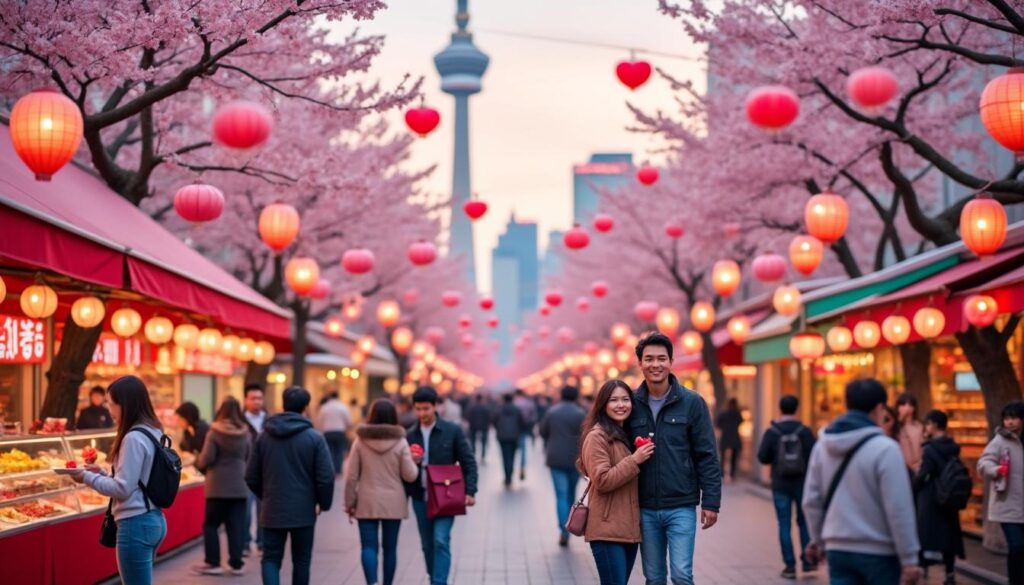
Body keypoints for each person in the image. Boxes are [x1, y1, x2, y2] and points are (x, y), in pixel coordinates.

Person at [802, 379, 922, 585]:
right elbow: (899, 507)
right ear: (879, 407)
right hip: (879, 552)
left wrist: (819, 541)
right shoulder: (885, 449)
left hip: (837, 549)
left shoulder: (822, 446)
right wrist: (909, 559)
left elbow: (811, 501)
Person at [626, 333, 721, 585]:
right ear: (640, 363)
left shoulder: (692, 403)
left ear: (671, 361)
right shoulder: (630, 405)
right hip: (644, 506)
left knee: (681, 574)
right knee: (654, 578)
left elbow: (707, 455)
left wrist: (711, 502)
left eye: (661, 358)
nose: (655, 364)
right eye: (649, 359)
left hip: (681, 505)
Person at [68, 376, 167, 585]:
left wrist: (85, 476)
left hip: (135, 523)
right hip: (154, 519)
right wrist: (102, 474)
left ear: (125, 404)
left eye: (111, 404)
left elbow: (122, 488)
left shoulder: (132, 438)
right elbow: (136, 479)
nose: (109, 409)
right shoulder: (153, 431)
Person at [245, 386, 334, 585]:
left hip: (272, 509)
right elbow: (325, 478)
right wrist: (323, 503)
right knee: (301, 561)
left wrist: (267, 495)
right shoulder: (314, 438)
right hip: (303, 511)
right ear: (306, 408)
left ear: (283, 405)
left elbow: (251, 475)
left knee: (270, 559)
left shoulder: (264, 436)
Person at [580, 380, 654, 584]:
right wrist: (635, 460)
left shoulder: (625, 434)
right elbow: (602, 480)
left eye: (625, 399)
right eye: (614, 400)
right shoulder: (597, 436)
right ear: (603, 404)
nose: (621, 405)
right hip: (607, 530)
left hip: (627, 530)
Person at [405, 386, 478, 585]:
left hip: (446, 495)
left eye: (426, 409)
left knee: (440, 540)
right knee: (427, 544)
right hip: (420, 496)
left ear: (435, 407)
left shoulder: (452, 430)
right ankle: (434, 577)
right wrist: (411, 461)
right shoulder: (410, 434)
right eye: (418, 409)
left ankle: (439, 582)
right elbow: (401, 469)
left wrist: (470, 490)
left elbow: (468, 461)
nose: (421, 413)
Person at [344, 399, 419, 585]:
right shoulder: (401, 442)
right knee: (390, 548)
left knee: (368, 546)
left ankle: (372, 583)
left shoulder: (360, 441)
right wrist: (414, 462)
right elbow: (410, 476)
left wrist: (349, 503)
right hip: (394, 501)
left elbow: (351, 476)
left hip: (366, 500)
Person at [756, 394, 817, 579]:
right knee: (804, 522)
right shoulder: (804, 431)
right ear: (796, 409)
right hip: (802, 483)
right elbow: (815, 455)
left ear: (780, 409)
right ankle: (808, 561)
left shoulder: (773, 432)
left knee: (784, 523)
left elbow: (762, 457)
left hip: (780, 484)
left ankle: (789, 566)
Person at [193, 397, 251, 576]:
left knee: (211, 525)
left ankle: (213, 562)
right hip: (240, 485)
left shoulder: (215, 431)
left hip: (217, 486)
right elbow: (249, 455)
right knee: (236, 526)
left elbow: (207, 458)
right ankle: (236, 564)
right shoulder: (245, 432)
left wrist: (198, 462)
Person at [913, 410, 964, 585]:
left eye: (927, 424)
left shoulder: (929, 448)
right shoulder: (953, 446)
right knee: (949, 534)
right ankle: (950, 573)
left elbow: (925, 473)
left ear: (934, 424)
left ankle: (922, 568)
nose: (926, 427)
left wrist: (914, 487)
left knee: (925, 533)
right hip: (949, 495)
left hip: (931, 497)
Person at [977, 400, 1024, 585]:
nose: (1009, 422)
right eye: (1006, 418)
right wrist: (995, 469)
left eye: (1013, 418)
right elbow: (983, 463)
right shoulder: (1000, 439)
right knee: (1017, 546)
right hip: (1008, 505)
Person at [539, 384, 587, 546]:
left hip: (556, 457)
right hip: (575, 458)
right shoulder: (581, 413)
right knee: (571, 493)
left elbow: (543, 432)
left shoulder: (552, 412)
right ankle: (570, 523)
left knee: (561, 494)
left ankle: (563, 530)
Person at [242, 384, 267, 555]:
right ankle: (244, 542)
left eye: (259, 398)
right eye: (253, 398)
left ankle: (262, 542)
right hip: (244, 472)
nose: (256, 402)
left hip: (266, 472)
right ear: (246, 400)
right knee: (245, 509)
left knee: (264, 509)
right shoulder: (240, 421)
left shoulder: (269, 420)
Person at [493, 393, 526, 487]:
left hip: (502, 436)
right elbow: (522, 422)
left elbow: (494, 421)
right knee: (512, 457)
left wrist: (499, 428)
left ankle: (507, 477)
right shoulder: (517, 409)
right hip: (514, 436)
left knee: (504, 457)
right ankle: (510, 475)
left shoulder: (499, 409)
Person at [317, 392, 353, 475]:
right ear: (338, 396)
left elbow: (319, 421)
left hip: (327, 432)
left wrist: (320, 430)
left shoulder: (324, 407)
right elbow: (349, 421)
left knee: (329, 451)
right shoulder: (343, 407)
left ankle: (330, 469)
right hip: (340, 432)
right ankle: (338, 470)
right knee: (339, 451)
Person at [716, 398, 743, 482]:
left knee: (723, 457)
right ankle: (732, 474)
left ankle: (722, 474)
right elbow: (741, 421)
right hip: (734, 436)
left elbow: (718, 424)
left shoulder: (724, 413)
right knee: (734, 457)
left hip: (725, 437)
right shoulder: (737, 413)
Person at [513, 389, 537, 480]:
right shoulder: (529, 403)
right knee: (523, 449)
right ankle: (522, 466)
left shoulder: (514, 403)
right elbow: (533, 416)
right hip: (524, 429)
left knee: (513, 449)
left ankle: (511, 468)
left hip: (514, 429)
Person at [897, 393, 924, 473]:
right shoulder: (895, 427)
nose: (907, 408)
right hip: (900, 468)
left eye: (910, 405)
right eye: (903, 404)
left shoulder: (919, 427)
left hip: (917, 468)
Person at [465, 394, 492, 463]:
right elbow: (488, 417)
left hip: (473, 426)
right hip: (483, 426)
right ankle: (483, 456)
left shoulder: (472, 407)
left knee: (473, 441)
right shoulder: (485, 407)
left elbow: (468, 416)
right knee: (483, 442)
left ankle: (473, 454)